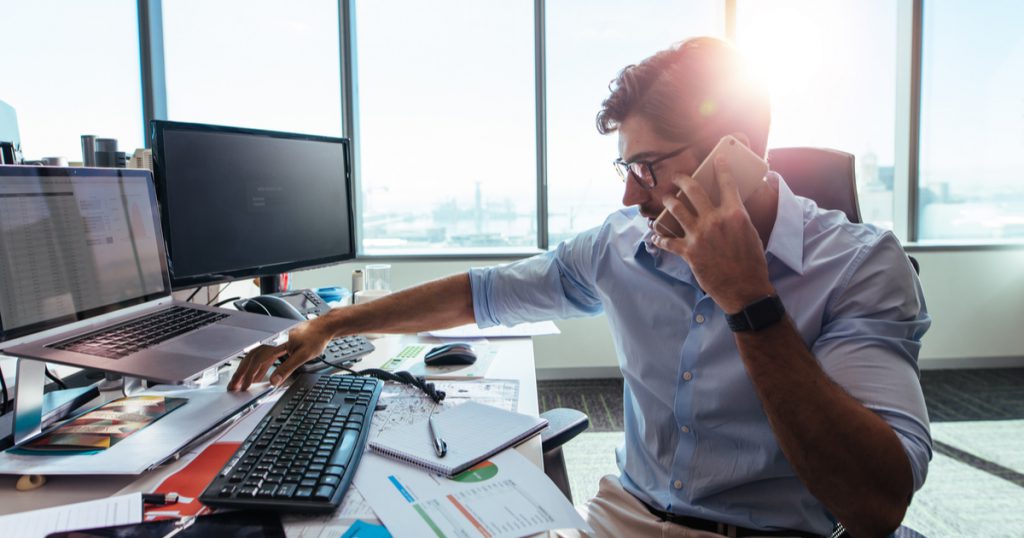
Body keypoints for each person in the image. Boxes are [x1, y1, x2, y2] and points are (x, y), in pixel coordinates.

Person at [230, 37, 931, 538]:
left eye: (649, 166)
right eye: (624, 167)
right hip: (625, 517)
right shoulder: (621, 246)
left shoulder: (860, 266)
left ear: (737, 151)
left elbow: (875, 503)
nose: (631, 194)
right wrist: (331, 324)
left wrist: (750, 302)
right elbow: (484, 293)